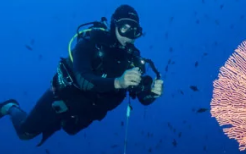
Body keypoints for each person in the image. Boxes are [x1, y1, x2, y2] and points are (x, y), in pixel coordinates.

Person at [0, 5, 163, 146]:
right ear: (114, 26)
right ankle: (11, 107)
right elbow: (83, 79)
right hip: (60, 99)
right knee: (25, 134)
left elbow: (141, 96)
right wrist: (118, 83)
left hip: (83, 114)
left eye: (135, 31)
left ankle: (58, 123)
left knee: (69, 129)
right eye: (125, 28)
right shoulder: (90, 43)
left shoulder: (132, 61)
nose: (129, 36)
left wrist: (151, 93)